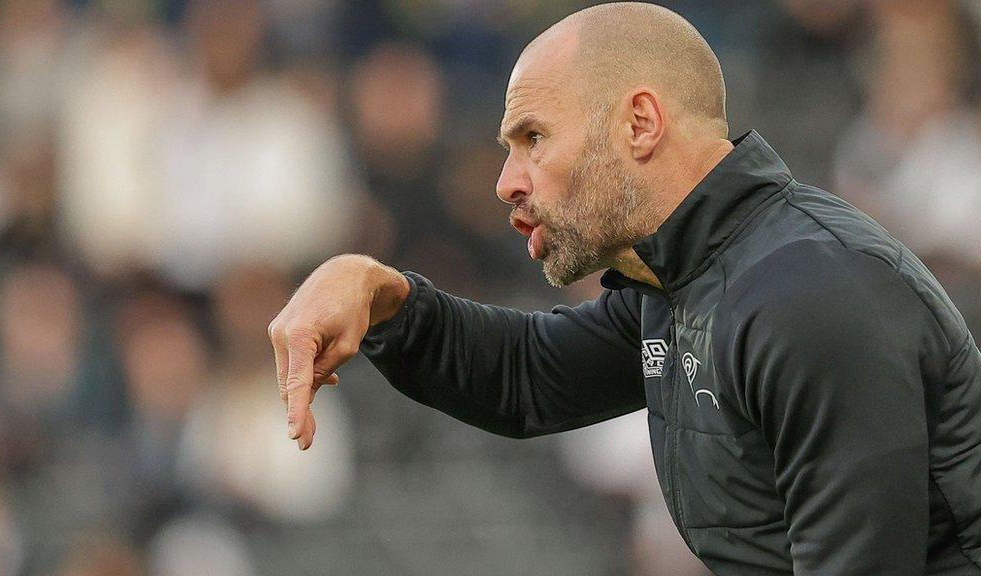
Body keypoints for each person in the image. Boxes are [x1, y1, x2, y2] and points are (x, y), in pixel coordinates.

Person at [267, 3, 981, 574]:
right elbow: (525, 375)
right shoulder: (690, 277)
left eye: (534, 137)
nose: (506, 181)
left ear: (640, 122)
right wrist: (378, 292)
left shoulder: (811, 292)